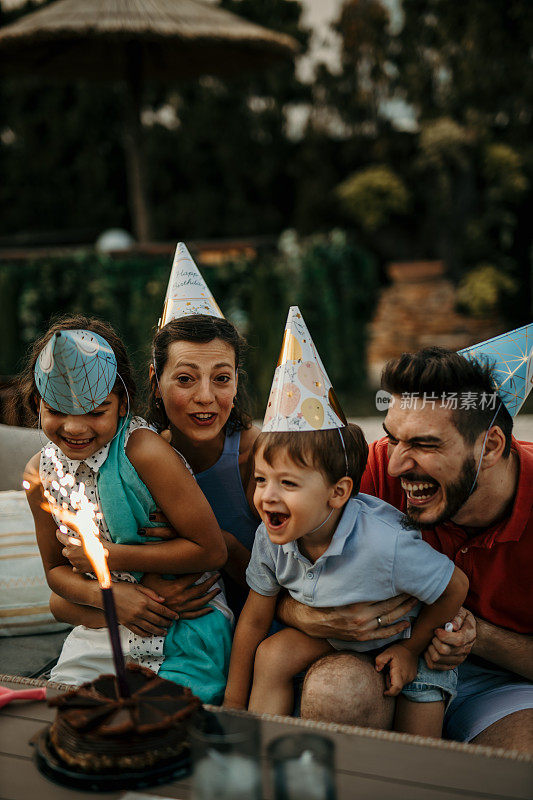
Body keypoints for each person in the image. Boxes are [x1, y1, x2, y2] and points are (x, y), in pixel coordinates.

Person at [223, 309, 468, 738]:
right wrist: (231, 702)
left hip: (404, 636)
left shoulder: (383, 542)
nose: (267, 496)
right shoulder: (271, 538)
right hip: (334, 634)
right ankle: (261, 745)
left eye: (288, 483)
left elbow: (454, 587)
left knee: (420, 745)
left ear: (338, 493)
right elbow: (253, 621)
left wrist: (411, 650)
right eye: (261, 480)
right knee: (272, 654)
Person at [279, 341, 533, 752]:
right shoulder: (370, 469)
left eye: (425, 445)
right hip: (378, 663)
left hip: (503, 690)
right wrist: (306, 615)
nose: (396, 464)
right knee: (336, 690)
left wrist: (473, 634)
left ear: (490, 447)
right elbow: (271, 572)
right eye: (393, 439)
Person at [22, 316, 232, 703]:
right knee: (74, 719)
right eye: (56, 410)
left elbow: (212, 550)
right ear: (36, 401)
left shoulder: (143, 452)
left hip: (182, 627)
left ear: (122, 403)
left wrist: (107, 556)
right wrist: (114, 599)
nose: (75, 427)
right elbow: (55, 572)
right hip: (102, 626)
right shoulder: (40, 472)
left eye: (96, 411)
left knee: (160, 729)